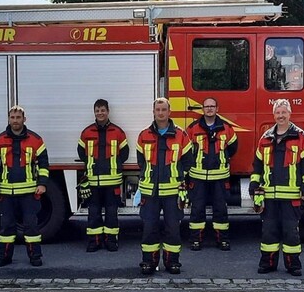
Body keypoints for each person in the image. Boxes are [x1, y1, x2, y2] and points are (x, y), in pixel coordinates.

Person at [249, 99, 304, 276]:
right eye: (278, 113)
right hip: (269, 196)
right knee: (268, 231)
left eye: (284, 112)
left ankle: (293, 265)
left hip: (292, 196)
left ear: (289, 114)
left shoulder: (300, 136)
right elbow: (257, 165)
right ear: (274, 115)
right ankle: (267, 264)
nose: (281, 116)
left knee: (291, 233)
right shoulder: (265, 138)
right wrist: (254, 184)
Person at [136, 97, 193, 275]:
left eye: (163, 109)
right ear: (153, 112)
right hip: (150, 192)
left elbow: (188, 161)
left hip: (173, 192)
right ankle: (148, 262)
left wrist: (175, 177)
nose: (160, 113)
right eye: (157, 109)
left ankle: (172, 262)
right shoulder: (144, 135)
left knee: (173, 228)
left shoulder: (181, 134)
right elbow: (141, 162)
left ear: (169, 112)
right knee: (149, 227)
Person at [0, 105, 49, 267]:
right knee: (6, 226)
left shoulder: (35, 139)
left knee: (31, 226)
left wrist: (42, 184)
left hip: (29, 193)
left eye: (18, 117)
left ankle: (35, 256)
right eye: (12, 117)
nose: (15, 121)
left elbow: (43, 164)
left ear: (24, 119)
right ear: (9, 119)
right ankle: (4, 256)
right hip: (6, 193)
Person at [186, 97, 238, 251]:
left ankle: (223, 240)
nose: (209, 109)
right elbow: (186, 151)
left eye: (212, 106)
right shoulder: (193, 128)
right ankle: (196, 240)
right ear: (202, 109)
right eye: (206, 106)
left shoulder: (227, 128)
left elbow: (233, 148)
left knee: (221, 210)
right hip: (198, 177)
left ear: (217, 108)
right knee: (197, 210)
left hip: (220, 177)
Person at [77, 99, 129, 252]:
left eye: (102, 110)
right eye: (97, 110)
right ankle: (94, 241)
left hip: (112, 182)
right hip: (93, 182)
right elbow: (81, 153)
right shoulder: (87, 132)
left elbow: (124, 153)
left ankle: (111, 241)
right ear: (94, 112)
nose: (100, 113)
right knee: (93, 213)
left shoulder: (118, 132)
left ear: (108, 111)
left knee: (112, 213)